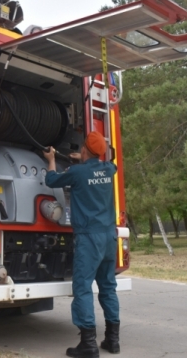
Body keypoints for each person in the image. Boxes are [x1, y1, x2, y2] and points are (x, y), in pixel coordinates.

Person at [43, 131, 120, 358]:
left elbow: (51, 179)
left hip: (89, 238)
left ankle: (88, 344)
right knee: (107, 287)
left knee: (83, 288)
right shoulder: (109, 169)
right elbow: (103, 167)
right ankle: (113, 340)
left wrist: (51, 160)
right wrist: (86, 160)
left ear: (84, 149)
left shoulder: (76, 173)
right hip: (109, 238)